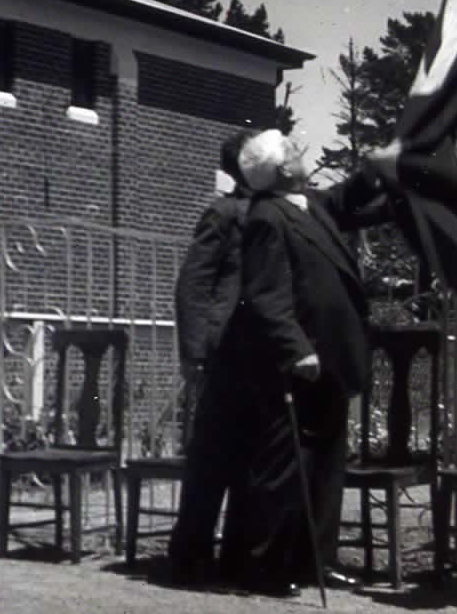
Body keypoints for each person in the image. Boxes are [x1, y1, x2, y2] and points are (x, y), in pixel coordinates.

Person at [205, 129, 387, 596]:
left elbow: (346, 196)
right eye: (294, 149)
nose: (302, 151)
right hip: (300, 363)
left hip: (332, 361)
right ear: (284, 170)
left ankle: (314, 562)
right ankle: (263, 566)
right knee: (284, 467)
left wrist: (378, 167)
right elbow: (266, 295)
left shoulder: (310, 204)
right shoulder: (268, 217)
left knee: (327, 467)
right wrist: (296, 348)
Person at [165, 127, 256, 584]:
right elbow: (192, 284)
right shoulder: (223, 214)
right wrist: (195, 353)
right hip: (224, 353)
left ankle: (238, 556)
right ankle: (188, 554)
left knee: (251, 461)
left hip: (261, 352)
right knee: (212, 458)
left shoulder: (274, 212)